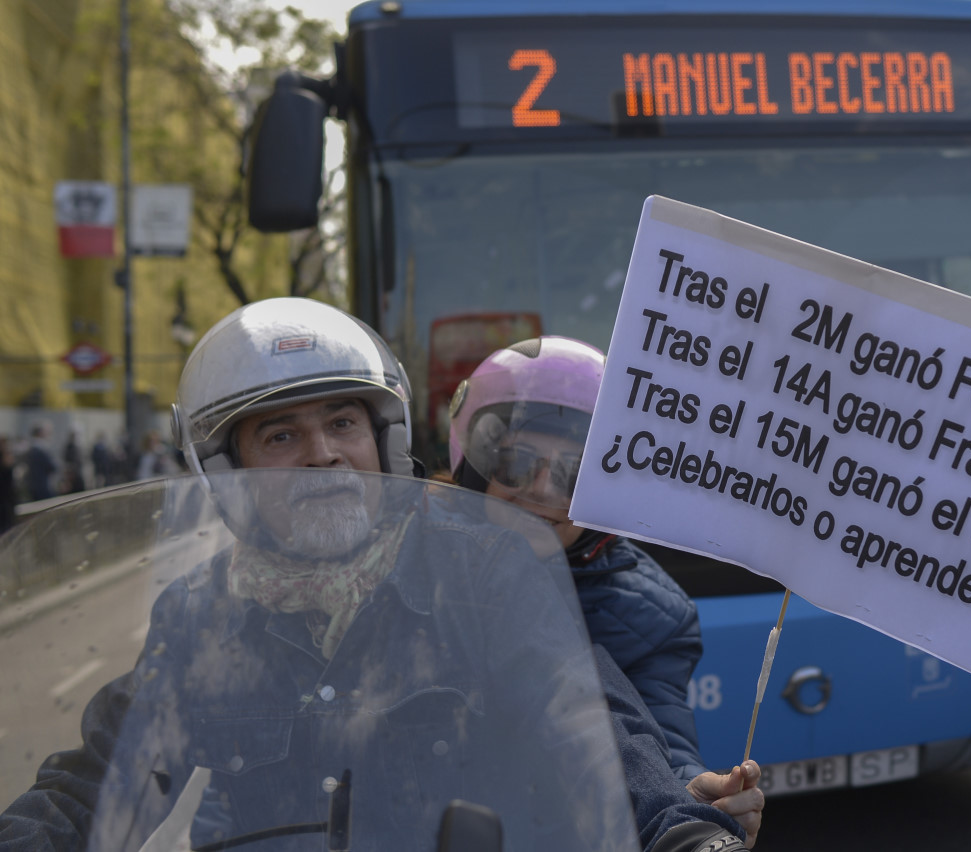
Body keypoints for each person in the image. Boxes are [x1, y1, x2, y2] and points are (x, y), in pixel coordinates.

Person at [0, 299, 746, 852]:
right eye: (282, 435)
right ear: (230, 474)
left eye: (342, 423)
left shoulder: (485, 571)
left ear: (382, 440)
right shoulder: (200, 616)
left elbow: (588, 721)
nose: (323, 453)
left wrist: (678, 827)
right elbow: (96, 778)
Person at [448, 336, 763, 846]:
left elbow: (658, 744)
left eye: (574, 475)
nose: (542, 488)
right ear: (471, 463)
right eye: (516, 462)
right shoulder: (410, 560)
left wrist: (686, 797)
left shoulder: (651, 617)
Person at [22, 421, 58, 502]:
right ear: (40, 433)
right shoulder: (40, 449)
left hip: (33, 486)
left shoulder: (30, 448)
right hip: (42, 487)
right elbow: (53, 466)